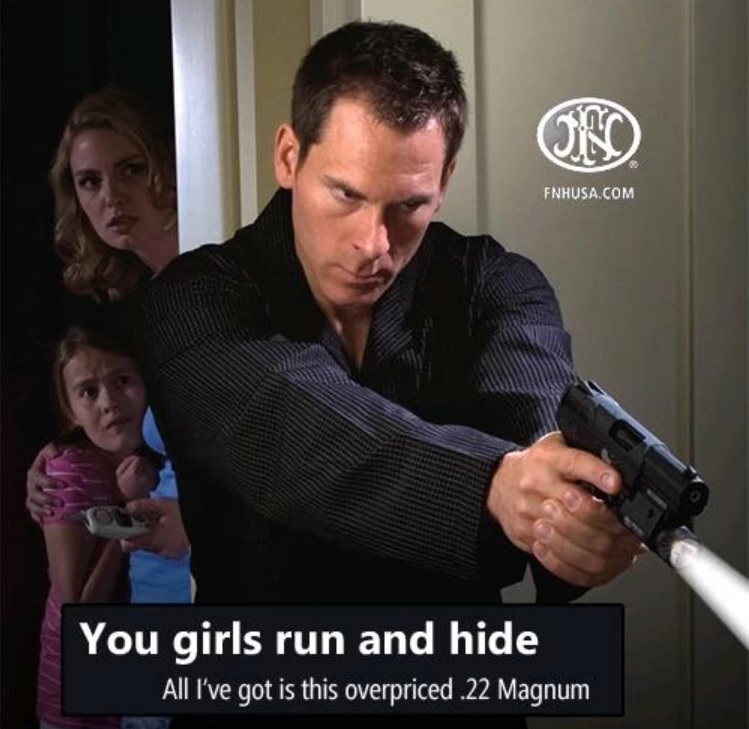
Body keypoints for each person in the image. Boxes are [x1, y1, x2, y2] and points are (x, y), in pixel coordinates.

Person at [125, 22, 643, 615]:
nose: (374, 244)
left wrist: (572, 508)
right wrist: (493, 484)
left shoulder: (496, 284)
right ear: (289, 157)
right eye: (346, 195)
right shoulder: (192, 300)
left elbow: (536, 411)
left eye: (408, 205)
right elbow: (296, 429)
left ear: (444, 181)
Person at [25, 88, 190, 729]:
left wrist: (195, 525)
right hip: (154, 592)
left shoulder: (213, 280)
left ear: (168, 165)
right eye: (89, 181)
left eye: (131, 169)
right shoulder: (147, 300)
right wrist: (59, 454)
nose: (111, 198)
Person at [37, 326, 152, 729]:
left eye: (122, 381)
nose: (109, 402)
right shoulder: (68, 470)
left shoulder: (150, 457)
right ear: (70, 410)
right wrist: (126, 514)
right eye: (88, 391)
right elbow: (78, 614)